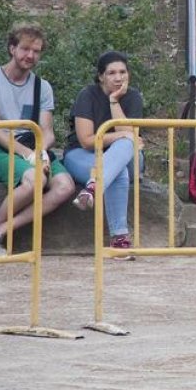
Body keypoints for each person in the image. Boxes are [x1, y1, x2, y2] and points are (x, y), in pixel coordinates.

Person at [0, 25, 75, 257]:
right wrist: (27, 154)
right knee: (35, 179)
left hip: (32, 145)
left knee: (65, 186)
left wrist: (41, 152)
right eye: (25, 49)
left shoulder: (42, 86)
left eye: (36, 51)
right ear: (12, 48)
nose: (30, 55)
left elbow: (47, 131)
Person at [63, 51, 144, 255]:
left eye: (123, 72)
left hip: (126, 157)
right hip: (83, 155)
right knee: (118, 171)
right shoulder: (87, 95)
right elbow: (87, 141)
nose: (118, 78)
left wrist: (114, 101)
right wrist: (121, 135)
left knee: (125, 146)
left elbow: (129, 138)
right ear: (101, 76)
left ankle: (94, 185)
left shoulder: (133, 96)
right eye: (111, 73)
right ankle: (120, 239)